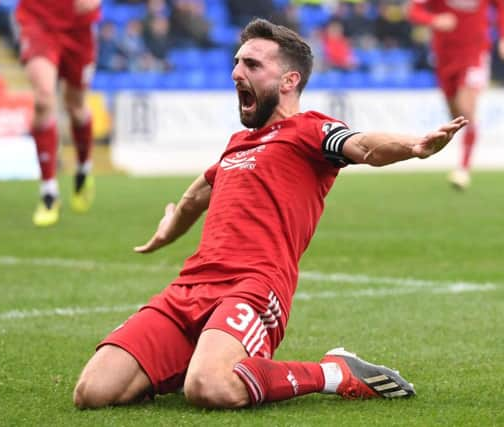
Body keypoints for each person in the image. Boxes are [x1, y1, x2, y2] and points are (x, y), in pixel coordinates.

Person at [73, 18, 467, 409]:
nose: (236, 73)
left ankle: (335, 372)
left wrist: (413, 144)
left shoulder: (310, 130)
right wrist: (168, 231)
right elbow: (198, 193)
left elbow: (364, 146)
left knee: (210, 387)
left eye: (252, 65)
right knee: (93, 392)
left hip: (254, 288)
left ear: (288, 81)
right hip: (189, 289)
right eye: (237, 62)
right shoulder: (238, 144)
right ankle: (199, 356)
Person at [15, 0, 101, 227]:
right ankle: (49, 193)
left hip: (79, 28)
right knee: (43, 99)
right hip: (38, 21)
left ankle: (83, 169)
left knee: (76, 107)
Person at [409, 0, 504, 190]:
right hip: (444, 57)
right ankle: (459, 156)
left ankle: (463, 168)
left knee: (466, 108)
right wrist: (434, 19)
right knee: (456, 116)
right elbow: (414, 10)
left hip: (475, 54)